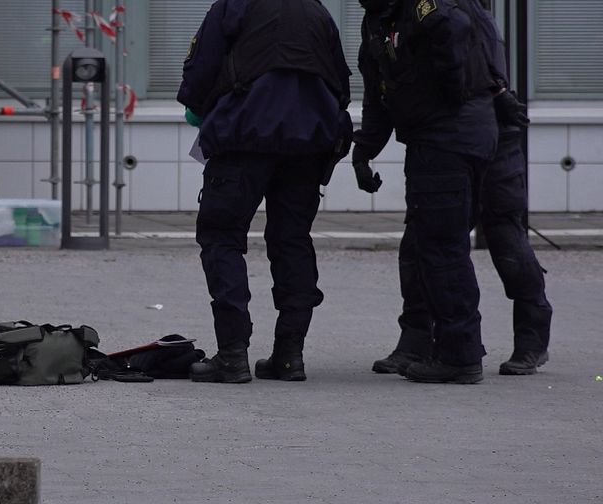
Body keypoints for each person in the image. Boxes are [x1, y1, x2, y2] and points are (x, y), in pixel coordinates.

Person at [371, 0, 553, 377]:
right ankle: (417, 340)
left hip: (483, 132)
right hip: (462, 130)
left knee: (502, 236)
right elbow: (385, 80)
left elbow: (474, 65)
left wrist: (456, 95)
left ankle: (530, 338)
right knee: (422, 242)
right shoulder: (393, 17)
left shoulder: (450, 9)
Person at [177, 0, 353, 383]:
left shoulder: (234, 5)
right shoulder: (318, 12)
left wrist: (199, 109)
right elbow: (341, 82)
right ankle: (290, 355)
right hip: (308, 143)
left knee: (222, 236)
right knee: (292, 239)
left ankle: (232, 354)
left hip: (244, 136)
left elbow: (200, 70)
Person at [353, 0, 499, 384]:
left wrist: (445, 98)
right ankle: (420, 343)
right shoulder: (379, 20)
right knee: (421, 246)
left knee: (442, 249)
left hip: (449, 139)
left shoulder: (423, 6)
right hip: (441, 138)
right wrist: (363, 152)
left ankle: (459, 355)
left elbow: (454, 29)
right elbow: (379, 91)